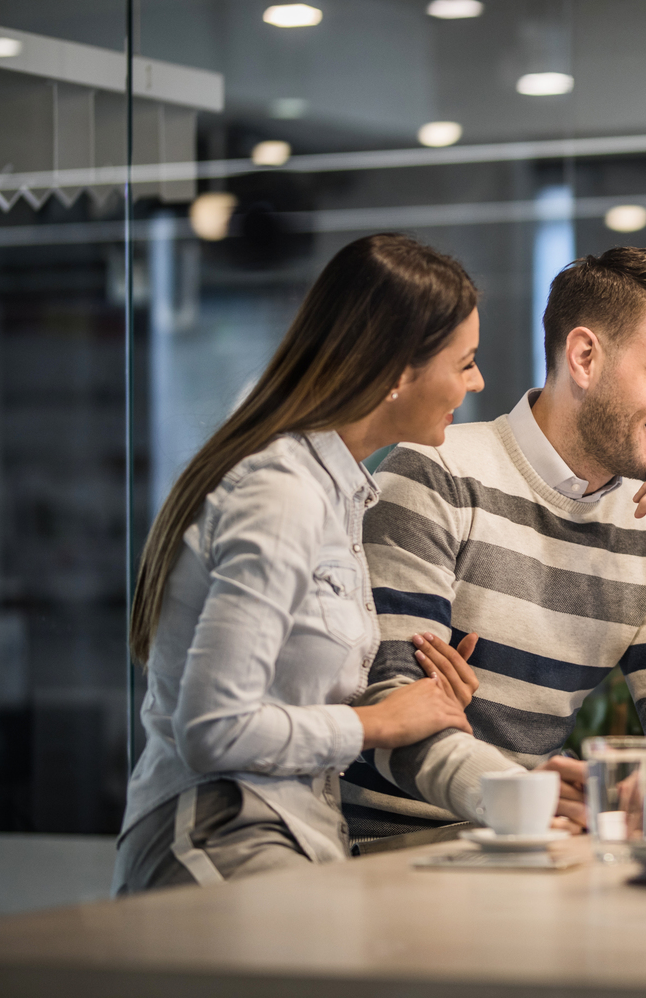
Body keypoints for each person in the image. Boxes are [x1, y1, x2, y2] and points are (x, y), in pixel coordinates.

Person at [114, 234, 483, 893]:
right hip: (218, 835)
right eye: (466, 362)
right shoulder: (281, 494)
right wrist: (377, 724)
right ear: (399, 371)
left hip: (286, 833)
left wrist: (418, 703)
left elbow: (292, 691)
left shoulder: (330, 484)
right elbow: (213, 731)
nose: (476, 381)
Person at [342, 246, 646, 835]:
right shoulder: (437, 472)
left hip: (534, 851)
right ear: (584, 357)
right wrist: (521, 799)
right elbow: (389, 713)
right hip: (400, 854)